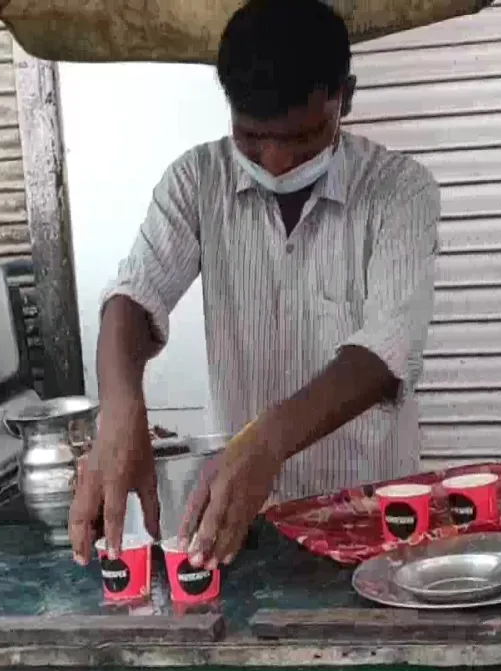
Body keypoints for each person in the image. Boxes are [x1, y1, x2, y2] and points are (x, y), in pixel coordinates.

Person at [68, 0, 440, 571]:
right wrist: (120, 407)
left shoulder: (399, 191)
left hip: (372, 521)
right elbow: (133, 296)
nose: (277, 160)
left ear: (345, 97)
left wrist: (268, 440)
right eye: (251, 137)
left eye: (303, 138)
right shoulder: (197, 181)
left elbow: (386, 353)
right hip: (246, 527)